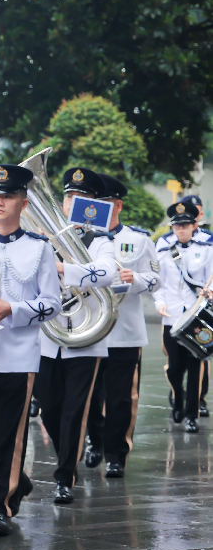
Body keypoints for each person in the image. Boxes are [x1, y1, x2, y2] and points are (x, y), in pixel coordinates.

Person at [0, 165, 61, 536]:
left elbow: (51, 303)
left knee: (11, 433)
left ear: (22, 202)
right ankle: (15, 478)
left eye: (6, 196)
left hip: (19, 354)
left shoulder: (39, 249)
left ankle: (1, 505)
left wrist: (13, 309)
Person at [33, 167, 117, 504]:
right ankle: (67, 457)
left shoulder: (100, 241)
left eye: (80, 198)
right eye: (68, 197)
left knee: (74, 410)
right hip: (47, 338)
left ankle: (65, 474)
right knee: (50, 408)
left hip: (87, 339)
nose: (72, 202)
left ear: (92, 205)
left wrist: (65, 269)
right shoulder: (42, 239)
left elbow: (108, 273)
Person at [84, 174, 160, 477]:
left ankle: (116, 453)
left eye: (103, 203)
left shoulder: (139, 239)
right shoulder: (82, 238)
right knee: (88, 395)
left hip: (124, 331)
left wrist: (135, 279)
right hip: (88, 329)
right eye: (93, 203)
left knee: (119, 397)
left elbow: (156, 279)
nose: (97, 209)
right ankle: (94, 440)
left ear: (117, 205)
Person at [157, 201, 211, 433]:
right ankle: (178, 398)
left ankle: (191, 414)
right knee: (174, 367)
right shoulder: (162, 246)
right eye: (177, 226)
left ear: (194, 224)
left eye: (185, 225)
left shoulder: (208, 245)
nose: (181, 230)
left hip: (196, 315)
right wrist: (159, 302)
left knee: (195, 365)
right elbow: (156, 279)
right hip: (171, 315)